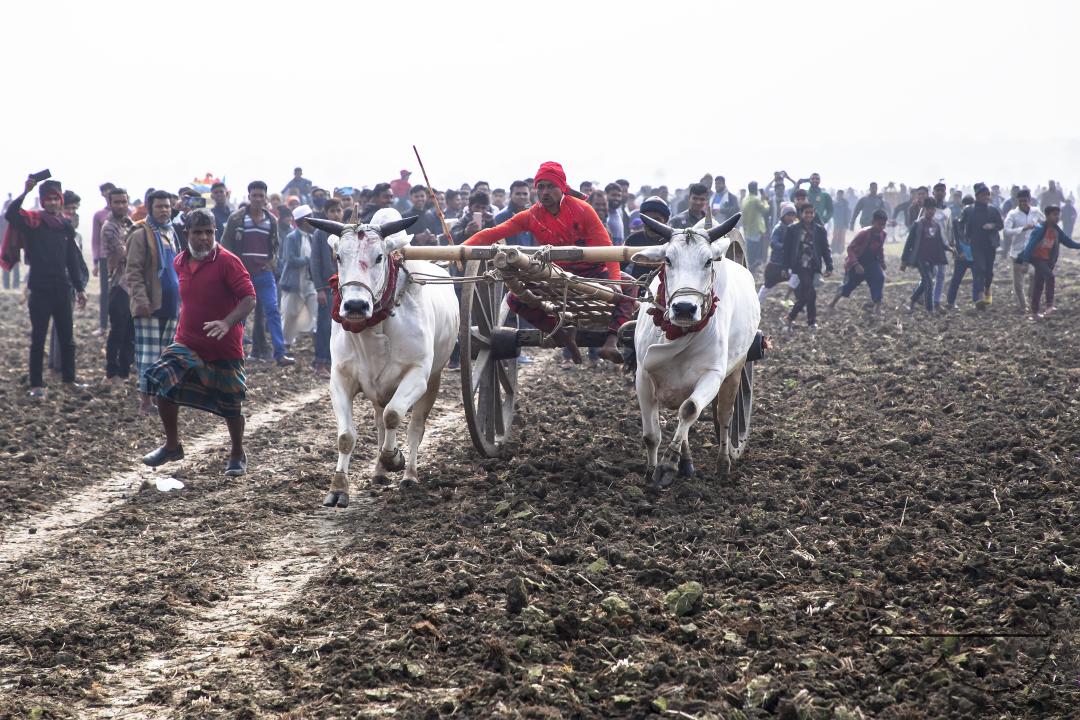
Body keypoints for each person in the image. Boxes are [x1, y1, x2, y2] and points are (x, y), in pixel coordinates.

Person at [463, 161, 632, 365]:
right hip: (556, 275)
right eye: (540, 187)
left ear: (562, 187)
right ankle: (560, 334)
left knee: (628, 287)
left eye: (550, 186)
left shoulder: (583, 210)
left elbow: (608, 249)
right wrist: (460, 251)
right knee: (514, 299)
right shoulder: (532, 215)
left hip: (593, 273)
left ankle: (611, 341)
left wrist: (614, 282)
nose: (545, 192)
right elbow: (492, 234)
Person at [141, 208, 256, 476]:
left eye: (209, 232)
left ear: (215, 232)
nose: (204, 238)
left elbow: (249, 298)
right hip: (187, 341)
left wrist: (227, 322)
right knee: (163, 383)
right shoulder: (180, 261)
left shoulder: (228, 262)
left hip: (224, 346)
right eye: (198, 233)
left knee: (231, 404)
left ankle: (238, 452)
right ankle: (172, 446)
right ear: (187, 234)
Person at [2, 175, 88, 396]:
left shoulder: (65, 226)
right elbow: (11, 214)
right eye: (48, 199)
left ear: (60, 201)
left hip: (62, 288)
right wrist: (25, 192)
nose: (52, 203)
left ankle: (69, 380)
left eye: (55, 199)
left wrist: (79, 289)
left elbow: (71, 259)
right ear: (42, 201)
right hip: (39, 288)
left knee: (67, 338)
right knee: (38, 338)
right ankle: (36, 385)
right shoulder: (33, 223)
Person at [221, 180, 295, 366]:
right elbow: (226, 244)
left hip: (264, 273)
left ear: (265, 198)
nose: (257, 199)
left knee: (272, 311)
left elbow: (276, 246)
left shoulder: (271, 220)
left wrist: (272, 263)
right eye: (254, 195)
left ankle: (280, 353)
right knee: (240, 314)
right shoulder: (237, 219)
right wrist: (232, 268)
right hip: (242, 274)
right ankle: (235, 352)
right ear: (249, 197)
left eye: (261, 196)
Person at [126, 189, 183, 412]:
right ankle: (146, 401)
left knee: (166, 355)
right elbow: (133, 271)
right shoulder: (140, 233)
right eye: (159, 206)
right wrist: (141, 300)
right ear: (150, 208)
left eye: (167, 206)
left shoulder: (171, 233)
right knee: (148, 355)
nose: (164, 210)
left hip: (171, 304)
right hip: (149, 304)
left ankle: (162, 398)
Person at [1018, 205, 1080, 319]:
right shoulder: (1040, 228)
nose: (1057, 217)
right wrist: (1025, 262)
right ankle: (1049, 305)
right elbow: (1030, 246)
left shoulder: (1056, 230)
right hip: (1037, 259)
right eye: (1054, 215)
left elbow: (1068, 242)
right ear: (1047, 216)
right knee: (1050, 276)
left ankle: (1035, 312)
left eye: (1058, 215)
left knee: (1038, 284)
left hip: (1047, 260)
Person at [102, 187, 135, 383]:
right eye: (117, 202)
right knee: (118, 331)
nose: (121, 205)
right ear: (110, 203)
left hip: (133, 285)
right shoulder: (110, 227)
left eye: (124, 202)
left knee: (130, 332)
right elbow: (123, 252)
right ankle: (112, 373)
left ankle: (124, 372)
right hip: (118, 285)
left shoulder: (128, 223)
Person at [782, 203, 832, 330]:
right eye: (806, 213)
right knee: (811, 292)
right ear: (801, 214)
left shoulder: (820, 230)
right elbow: (786, 250)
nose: (809, 215)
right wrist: (784, 267)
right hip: (799, 265)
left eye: (811, 213)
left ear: (814, 214)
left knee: (807, 294)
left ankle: (790, 317)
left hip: (814, 265)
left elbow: (826, 249)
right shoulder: (793, 229)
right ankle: (811, 322)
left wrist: (829, 266)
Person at [829, 209, 888, 315]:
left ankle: (877, 307)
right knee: (848, 286)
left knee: (880, 277)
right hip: (857, 262)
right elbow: (850, 249)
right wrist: (856, 264)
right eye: (879, 224)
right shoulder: (863, 233)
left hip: (872, 263)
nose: (881, 227)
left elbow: (880, 249)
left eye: (883, 225)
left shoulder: (883, 234)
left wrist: (882, 262)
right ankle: (832, 303)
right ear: (873, 222)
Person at [309, 198, 343, 378]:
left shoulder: (347, 232)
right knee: (324, 325)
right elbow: (314, 263)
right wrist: (319, 288)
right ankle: (320, 362)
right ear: (326, 213)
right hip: (327, 287)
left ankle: (335, 363)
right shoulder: (319, 234)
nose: (336, 214)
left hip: (344, 286)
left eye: (338, 210)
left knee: (341, 326)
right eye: (332, 211)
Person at [280, 205, 318, 348]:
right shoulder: (291, 238)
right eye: (310, 219)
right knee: (290, 315)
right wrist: (309, 260)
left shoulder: (312, 237)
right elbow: (290, 260)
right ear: (304, 221)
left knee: (317, 313)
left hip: (309, 283)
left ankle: (318, 344)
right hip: (293, 283)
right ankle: (286, 344)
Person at [901, 202, 948, 314]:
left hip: (932, 258)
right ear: (924, 210)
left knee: (926, 282)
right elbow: (909, 243)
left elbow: (940, 242)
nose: (931, 212)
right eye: (928, 209)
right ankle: (929, 310)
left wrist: (950, 249)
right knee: (929, 283)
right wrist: (904, 261)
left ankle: (913, 300)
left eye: (933, 209)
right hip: (920, 258)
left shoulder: (936, 225)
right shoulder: (917, 224)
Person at [1003, 189, 1043, 313]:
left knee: (1034, 274)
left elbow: (1045, 224)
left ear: (1029, 200)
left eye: (1025, 201)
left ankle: (1031, 297)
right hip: (1018, 251)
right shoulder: (1012, 214)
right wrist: (1021, 228)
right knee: (1018, 281)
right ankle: (1023, 305)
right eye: (1020, 201)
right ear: (1016, 201)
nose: (1022, 204)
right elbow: (1006, 231)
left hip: (1034, 250)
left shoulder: (1036, 212)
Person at [965, 182, 1004, 309]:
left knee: (989, 271)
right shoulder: (970, 211)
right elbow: (965, 227)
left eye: (987, 195)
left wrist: (992, 226)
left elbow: (1000, 225)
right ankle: (980, 296)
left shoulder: (993, 210)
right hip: (976, 245)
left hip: (990, 244)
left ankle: (987, 288)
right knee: (979, 269)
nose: (986, 197)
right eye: (983, 195)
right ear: (977, 196)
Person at [91, 181, 117, 336]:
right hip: (104, 258)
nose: (107, 194)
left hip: (123, 258)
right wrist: (95, 261)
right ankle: (103, 326)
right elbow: (95, 239)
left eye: (110, 191)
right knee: (105, 292)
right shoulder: (99, 215)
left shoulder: (127, 212)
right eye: (105, 192)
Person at [758, 202, 797, 303]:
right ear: (783, 216)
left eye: (793, 215)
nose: (790, 218)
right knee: (768, 285)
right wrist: (786, 248)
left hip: (789, 263)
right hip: (777, 264)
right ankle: (757, 303)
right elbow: (774, 243)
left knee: (797, 278)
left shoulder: (795, 228)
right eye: (788, 215)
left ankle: (790, 300)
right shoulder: (779, 228)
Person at [624, 196, 671, 278]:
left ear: (665, 221)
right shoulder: (633, 239)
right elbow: (619, 268)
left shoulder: (672, 241)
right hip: (637, 287)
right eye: (648, 219)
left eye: (657, 220)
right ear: (642, 220)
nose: (651, 224)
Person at [946, 195, 977, 309]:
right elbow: (955, 239)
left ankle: (977, 301)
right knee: (956, 279)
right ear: (962, 207)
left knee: (977, 280)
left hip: (974, 255)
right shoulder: (956, 221)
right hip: (961, 255)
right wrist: (960, 252)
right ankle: (950, 301)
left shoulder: (977, 222)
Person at [740, 182, 770, 273]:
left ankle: (751, 270)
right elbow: (765, 209)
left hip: (748, 230)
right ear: (755, 189)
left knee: (751, 253)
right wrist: (765, 200)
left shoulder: (744, 200)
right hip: (758, 230)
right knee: (758, 255)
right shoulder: (756, 200)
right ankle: (755, 271)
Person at [493, 180, 535, 246]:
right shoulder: (501, 217)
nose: (522, 197)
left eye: (525, 194)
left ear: (529, 195)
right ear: (510, 195)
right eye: (518, 194)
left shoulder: (534, 216)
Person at [832, 189, 850, 254]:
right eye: (839, 194)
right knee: (835, 236)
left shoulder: (845, 202)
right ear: (837, 194)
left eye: (841, 194)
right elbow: (832, 212)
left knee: (842, 237)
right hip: (836, 222)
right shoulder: (834, 202)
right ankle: (834, 249)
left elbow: (847, 212)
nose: (840, 195)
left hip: (843, 222)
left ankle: (840, 250)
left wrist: (847, 222)